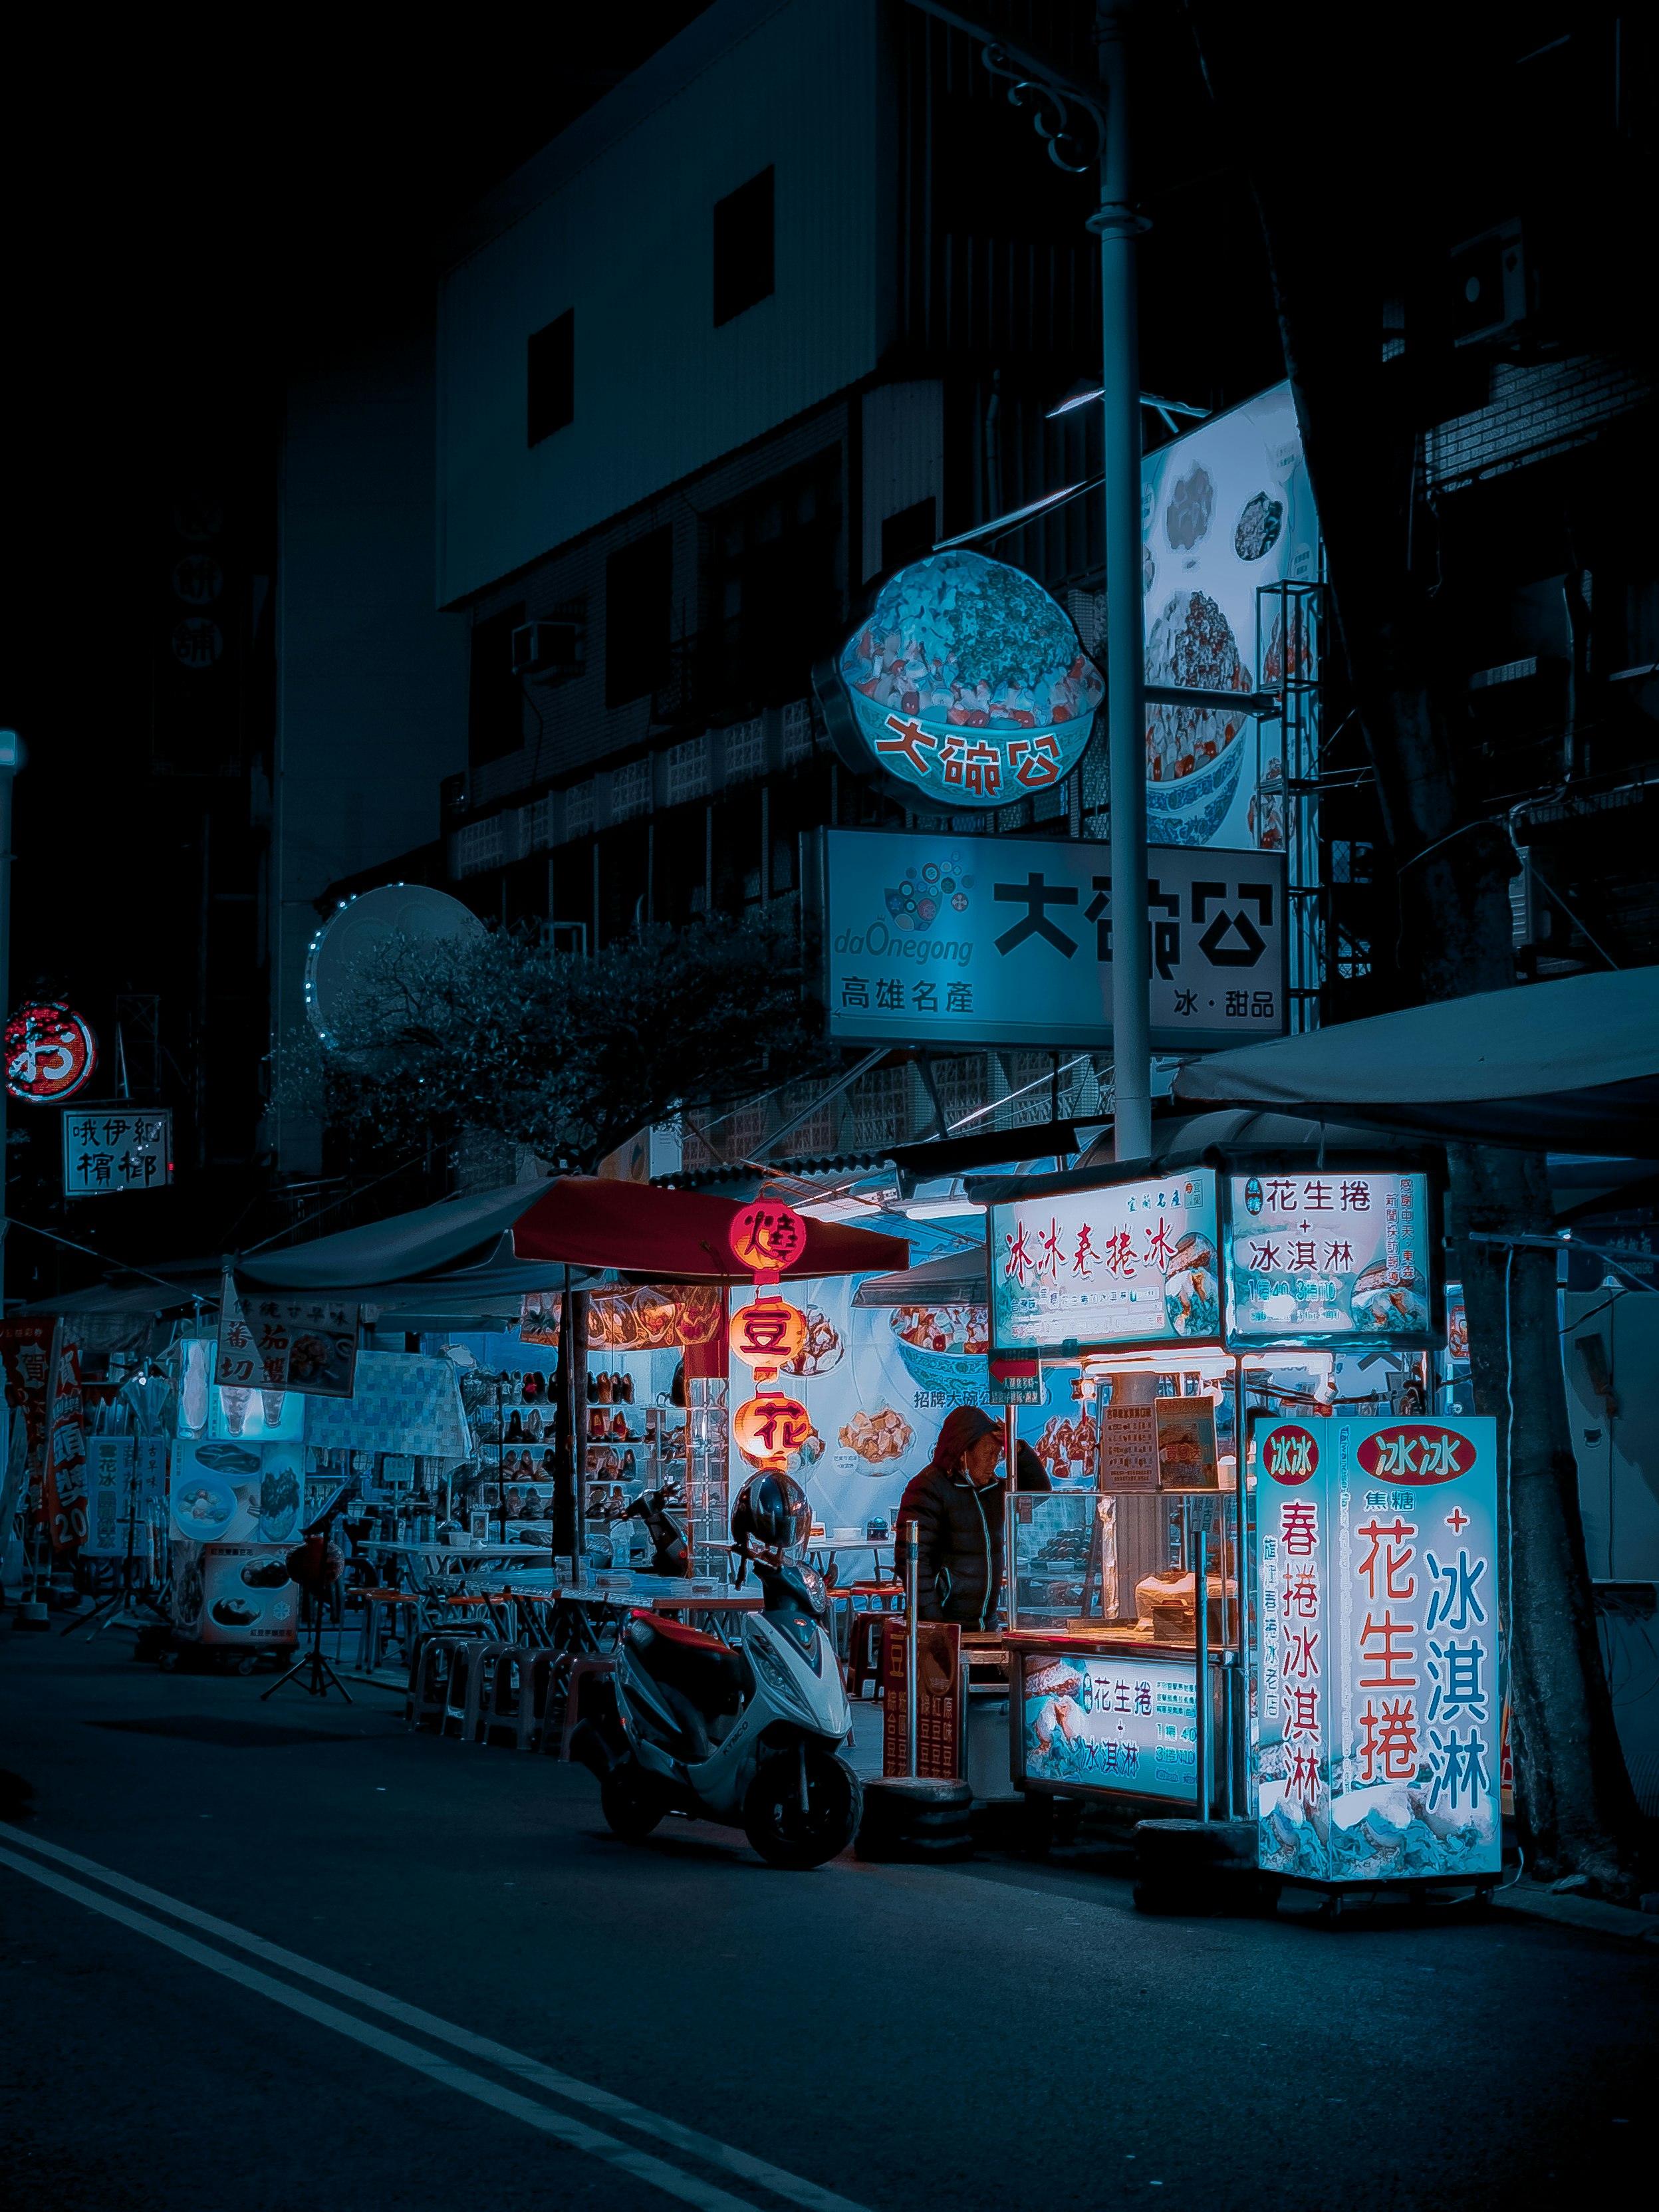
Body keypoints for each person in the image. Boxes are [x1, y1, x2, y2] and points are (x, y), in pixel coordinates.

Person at [895, 1406, 1049, 1630]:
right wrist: (935, 1625)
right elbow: (912, 1562)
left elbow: (1038, 1492)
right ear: (964, 1452)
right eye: (989, 1454)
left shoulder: (995, 1489)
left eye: (998, 1456)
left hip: (985, 1622)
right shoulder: (927, 1487)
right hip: (945, 1623)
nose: (994, 1463)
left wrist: (1018, 1450)